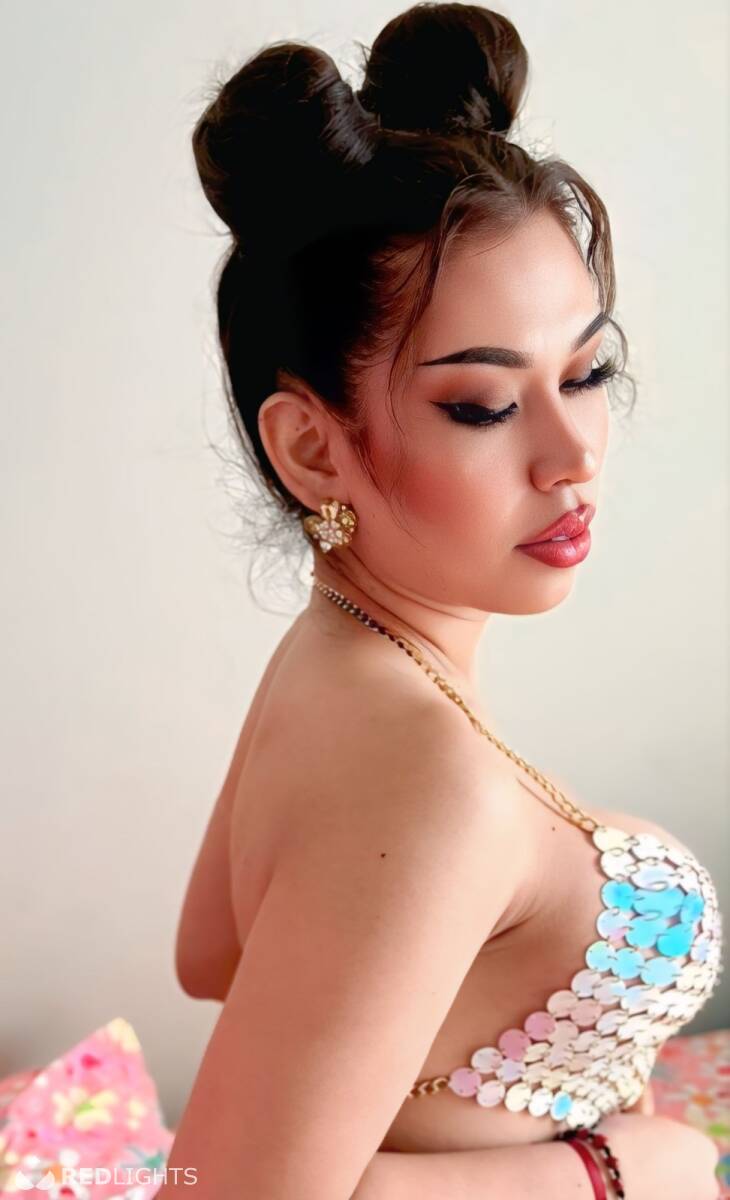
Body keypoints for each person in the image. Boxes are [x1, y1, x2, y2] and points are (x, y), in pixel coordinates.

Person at [157, 5, 723, 1197]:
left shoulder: (335, 659)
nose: (574, 452)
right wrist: (618, 1170)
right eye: (483, 405)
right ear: (312, 449)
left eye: (588, 371)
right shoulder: (422, 772)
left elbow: (215, 954)